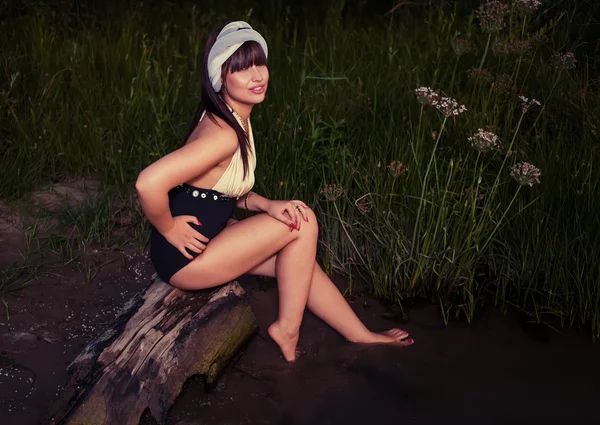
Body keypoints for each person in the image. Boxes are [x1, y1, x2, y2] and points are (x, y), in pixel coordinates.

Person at [135, 21, 414, 362]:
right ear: (221, 78)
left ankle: (359, 335)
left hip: (208, 237)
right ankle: (287, 330)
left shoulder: (232, 116)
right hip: (187, 258)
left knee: (296, 257)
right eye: (242, 69)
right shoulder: (222, 134)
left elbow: (218, 186)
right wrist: (168, 228)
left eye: (259, 64)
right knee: (304, 221)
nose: (257, 76)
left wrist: (266, 204)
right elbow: (148, 183)